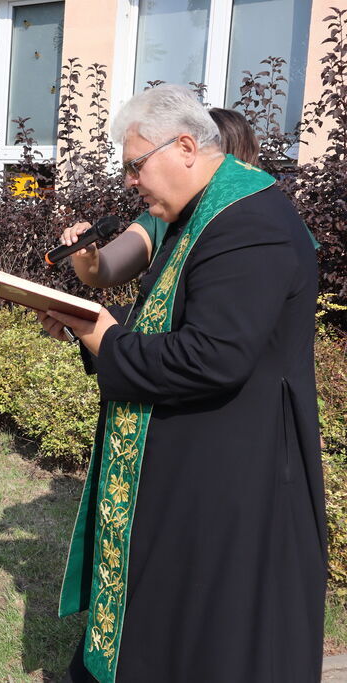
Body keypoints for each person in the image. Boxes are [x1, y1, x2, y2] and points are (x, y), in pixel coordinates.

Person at [39, 85, 326, 683]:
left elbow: (211, 358)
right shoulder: (196, 213)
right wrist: (86, 330)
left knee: (209, 636)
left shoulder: (251, 223)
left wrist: (106, 338)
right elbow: (162, 329)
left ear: (187, 147)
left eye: (134, 165)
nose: (129, 183)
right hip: (194, 464)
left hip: (233, 479)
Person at [61, 108, 261, 289]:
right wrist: (87, 255)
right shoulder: (163, 217)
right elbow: (105, 268)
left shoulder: (252, 221)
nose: (129, 181)